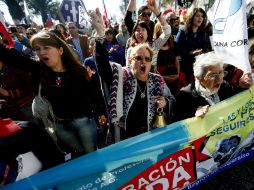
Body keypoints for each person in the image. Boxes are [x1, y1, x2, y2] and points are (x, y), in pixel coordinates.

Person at [0, 31, 107, 157]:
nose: (41, 52)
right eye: (37, 49)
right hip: (60, 127)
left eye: (46, 47)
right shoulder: (39, 70)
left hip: (82, 122)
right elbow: (12, 58)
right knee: (80, 155)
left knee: (92, 154)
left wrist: (101, 112)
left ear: (60, 50)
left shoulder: (78, 72)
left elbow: (93, 93)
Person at [95, 39, 175, 142]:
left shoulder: (157, 80)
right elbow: (103, 68)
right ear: (130, 60)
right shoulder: (122, 76)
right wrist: (101, 41)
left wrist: (165, 102)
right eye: (138, 58)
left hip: (150, 137)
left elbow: (172, 99)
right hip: (125, 138)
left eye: (147, 59)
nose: (143, 62)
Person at [173, 52, 252, 121]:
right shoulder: (184, 96)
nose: (220, 79)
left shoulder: (225, 86)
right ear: (199, 77)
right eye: (213, 75)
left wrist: (243, 86)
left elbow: (238, 100)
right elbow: (180, 126)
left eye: (221, 72)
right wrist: (194, 117)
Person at [176, 8, 212, 85]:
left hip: (200, 64)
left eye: (202, 16)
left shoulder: (204, 33)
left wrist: (201, 53)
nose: (200, 18)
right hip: (186, 66)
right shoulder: (183, 31)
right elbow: (177, 48)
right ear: (192, 17)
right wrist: (191, 52)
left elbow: (208, 49)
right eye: (197, 16)